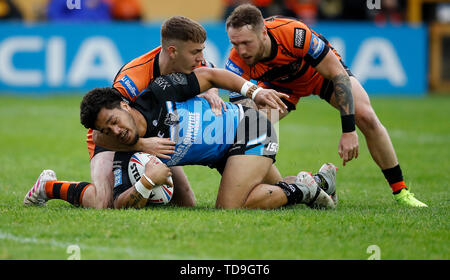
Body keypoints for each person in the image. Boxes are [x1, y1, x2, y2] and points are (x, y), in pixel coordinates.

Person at [24, 16, 289, 209]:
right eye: (196, 53)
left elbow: (209, 75)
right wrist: (141, 145)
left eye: (202, 53)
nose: (201, 59)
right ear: (173, 52)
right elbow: (106, 131)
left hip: (189, 135)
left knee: (186, 201)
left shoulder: (186, 66)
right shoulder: (131, 83)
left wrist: (236, 92)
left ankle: (312, 186)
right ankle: (49, 187)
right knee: (104, 202)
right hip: (114, 139)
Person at [224, 4, 427, 207]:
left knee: (365, 116)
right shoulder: (235, 61)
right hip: (279, 89)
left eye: (246, 43)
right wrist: (253, 131)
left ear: (263, 33)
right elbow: (243, 111)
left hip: (320, 77)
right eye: (235, 44)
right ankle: (311, 185)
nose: (241, 51)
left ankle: (401, 192)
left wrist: (349, 131)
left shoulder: (293, 33)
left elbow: (338, 75)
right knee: (248, 133)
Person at [78, 68, 336, 210]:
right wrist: (146, 182)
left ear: (124, 105)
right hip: (225, 155)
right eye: (107, 130)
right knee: (269, 191)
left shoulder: (160, 91)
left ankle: (303, 191)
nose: (116, 131)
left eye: (113, 121)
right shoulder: (127, 150)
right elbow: (119, 203)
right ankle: (321, 181)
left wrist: (254, 92)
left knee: (230, 206)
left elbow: (211, 75)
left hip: (250, 126)